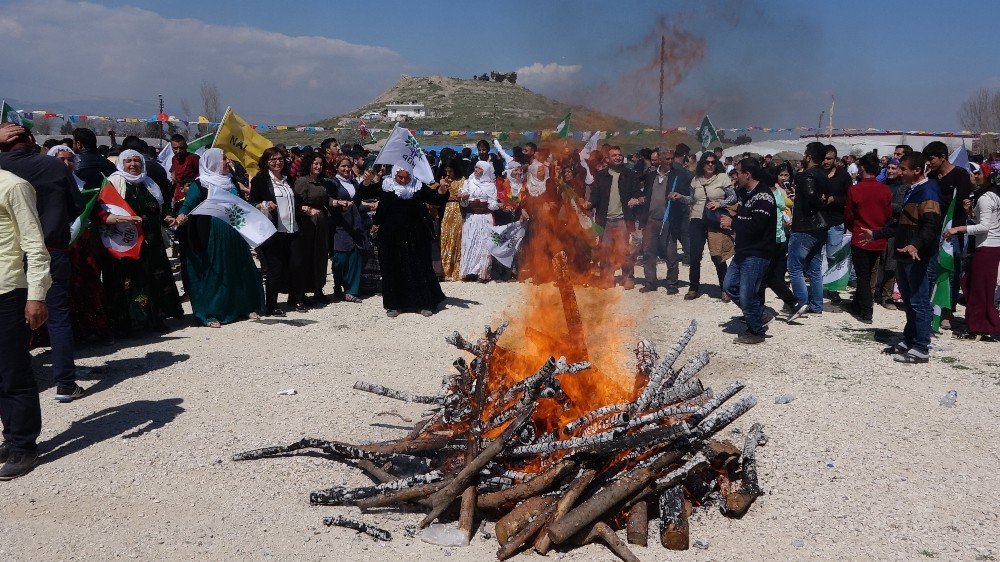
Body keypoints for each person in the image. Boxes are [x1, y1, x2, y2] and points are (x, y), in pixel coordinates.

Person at [0, 122, 85, 402]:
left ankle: (16, 382)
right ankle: (65, 383)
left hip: (8, 257)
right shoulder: (55, 166)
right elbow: (77, 206)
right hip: (50, 250)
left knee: (10, 324)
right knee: (58, 318)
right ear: (32, 139)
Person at [860, 152, 941, 364]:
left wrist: (916, 244)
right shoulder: (911, 190)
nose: (900, 172)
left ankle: (921, 347)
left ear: (916, 170)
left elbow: (931, 225)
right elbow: (900, 222)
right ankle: (909, 339)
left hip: (917, 256)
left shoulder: (929, 191)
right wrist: (876, 234)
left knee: (919, 302)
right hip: (903, 253)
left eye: (903, 169)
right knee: (909, 300)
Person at [174, 148, 264, 327]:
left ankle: (243, 306)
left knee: (239, 270)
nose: (227, 162)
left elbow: (240, 204)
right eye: (223, 159)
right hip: (212, 236)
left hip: (234, 233)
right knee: (215, 273)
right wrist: (181, 216)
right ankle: (211, 313)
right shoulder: (201, 184)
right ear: (213, 162)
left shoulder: (231, 182)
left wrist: (259, 205)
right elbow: (188, 204)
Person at [0, 163, 51, 480]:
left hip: (8, 290)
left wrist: (36, 295)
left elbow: (34, 244)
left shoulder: (14, 187)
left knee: (12, 371)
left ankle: (24, 446)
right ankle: (12, 435)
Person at [100, 149, 184, 334]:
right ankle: (131, 324)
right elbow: (103, 211)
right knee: (131, 282)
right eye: (128, 161)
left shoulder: (150, 183)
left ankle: (155, 319)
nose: (133, 164)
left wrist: (169, 218)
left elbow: (161, 209)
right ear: (121, 163)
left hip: (153, 244)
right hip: (127, 243)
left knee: (153, 280)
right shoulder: (114, 183)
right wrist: (121, 220)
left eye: (136, 161)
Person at [374, 166, 448, 317]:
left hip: (416, 236)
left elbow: (435, 198)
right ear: (394, 175)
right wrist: (368, 181)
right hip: (391, 236)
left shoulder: (417, 186)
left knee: (419, 267)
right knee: (392, 269)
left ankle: (423, 303)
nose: (403, 181)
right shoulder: (386, 186)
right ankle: (395, 305)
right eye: (400, 177)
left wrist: (442, 189)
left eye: (406, 178)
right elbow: (368, 195)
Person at [723, 157, 777, 344]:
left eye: (738, 172)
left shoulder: (763, 196)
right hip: (744, 251)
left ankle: (756, 331)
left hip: (758, 253)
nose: (735, 176)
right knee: (729, 285)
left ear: (748, 174)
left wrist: (733, 223)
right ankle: (759, 314)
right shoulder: (746, 193)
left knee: (747, 295)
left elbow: (757, 225)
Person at [944, 163, 1000, 340]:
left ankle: (979, 327)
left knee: (978, 288)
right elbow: (983, 221)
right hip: (990, 246)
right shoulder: (991, 196)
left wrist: (958, 229)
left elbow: (984, 227)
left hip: (986, 247)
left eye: (978, 173)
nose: (973, 176)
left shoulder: (985, 198)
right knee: (973, 284)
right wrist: (969, 212)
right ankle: (982, 323)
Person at [924, 141, 973, 330]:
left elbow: (959, 200)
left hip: (953, 230)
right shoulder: (932, 176)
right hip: (934, 228)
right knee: (932, 269)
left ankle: (947, 310)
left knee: (951, 270)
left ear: (943, 157)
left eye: (932, 158)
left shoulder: (960, 174)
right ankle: (930, 306)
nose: (929, 162)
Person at [250, 147, 302, 316]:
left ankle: (294, 299)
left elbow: (296, 201)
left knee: (295, 265)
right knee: (275, 269)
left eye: (279, 158)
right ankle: (271, 305)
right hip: (274, 231)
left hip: (292, 229)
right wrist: (264, 204)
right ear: (266, 162)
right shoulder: (260, 180)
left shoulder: (289, 179)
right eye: (273, 159)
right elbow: (252, 202)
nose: (277, 162)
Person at [679, 151, 735, 300]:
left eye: (713, 162)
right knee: (695, 255)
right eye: (707, 162)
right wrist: (680, 197)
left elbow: (733, 196)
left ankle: (725, 288)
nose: (710, 164)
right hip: (697, 219)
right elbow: (692, 199)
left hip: (714, 220)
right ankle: (693, 288)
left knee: (717, 256)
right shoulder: (696, 180)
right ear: (702, 164)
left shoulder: (723, 178)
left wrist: (720, 203)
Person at [787, 142, 833, 322]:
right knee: (814, 267)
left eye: (805, 154)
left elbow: (812, 198)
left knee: (795, 267)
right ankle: (816, 304)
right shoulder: (824, 174)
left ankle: (801, 302)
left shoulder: (807, 176)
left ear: (809, 156)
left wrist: (820, 202)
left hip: (806, 226)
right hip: (820, 226)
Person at [843, 153, 892, 324]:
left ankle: (866, 311)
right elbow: (888, 215)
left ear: (862, 168)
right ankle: (858, 305)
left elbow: (849, 215)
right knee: (871, 272)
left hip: (860, 236)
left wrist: (854, 228)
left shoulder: (855, 189)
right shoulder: (885, 190)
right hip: (878, 237)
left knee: (862, 276)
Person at [589, 146, 644, 289]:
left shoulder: (630, 174)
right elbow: (595, 196)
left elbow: (637, 192)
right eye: (614, 155)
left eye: (619, 155)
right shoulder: (600, 176)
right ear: (608, 159)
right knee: (605, 251)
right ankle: (607, 278)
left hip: (622, 220)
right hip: (604, 220)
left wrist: (637, 198)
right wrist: (588, 203)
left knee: (624, 250)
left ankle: (627, 277)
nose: (618, 157)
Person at [640, 147, 690, 293]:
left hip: (668, 220)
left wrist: (678, 197)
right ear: (660, 160)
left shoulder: (677, 175)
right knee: (648, 252)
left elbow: (686, 196)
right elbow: (646, 194)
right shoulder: (650, 176)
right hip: (651, 220)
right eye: (667, 159)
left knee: (670, 253)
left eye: (672, 158)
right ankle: (650, 282)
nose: (671, 161)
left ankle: (672, 283)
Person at [326, 156, 371, 302]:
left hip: (355, 224)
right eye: (342, 166)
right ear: (337, 167)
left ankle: (352, 290)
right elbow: (328, 201)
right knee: (340, 257)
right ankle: (338, 284)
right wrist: (338, 204)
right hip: (339, 224)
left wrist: (370, 206)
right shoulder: (332, 183)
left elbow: (357, 203)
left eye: (348, 166)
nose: (346, 169)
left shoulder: (353, 183)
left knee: (354, 256)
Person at [291, 153, 332, 305]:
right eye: (315, 163)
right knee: (307, 258)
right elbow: (298, 203)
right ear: (309, 164)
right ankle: (302, 293)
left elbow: (327, 200)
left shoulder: (321, 182)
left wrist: (337, 202)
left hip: (321, 224)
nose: (318, 167)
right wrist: (307, 211)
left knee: (320, 257)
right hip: (308, 225)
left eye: (320, 164)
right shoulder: (302, 181)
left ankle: (318, 290)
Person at [759, 162, 798, 313]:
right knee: (770, 275)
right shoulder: (775, 191)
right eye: (781, 175)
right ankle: (793, 303)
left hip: (777, 235)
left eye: (786, 175)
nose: (783, 177)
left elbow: (784, 208)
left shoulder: (773, 193)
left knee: (767, 275)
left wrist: (795, 198)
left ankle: (792, 303)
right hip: (779, 234)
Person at [875, 158, 907, 309]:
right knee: (876, 262)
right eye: (889, 167)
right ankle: (872, 292)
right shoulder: (881, 185)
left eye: (894, 168)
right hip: (879, 226)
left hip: (895, 228)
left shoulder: (904, 187)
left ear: (900, 170)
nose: (890, 171)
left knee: (890, 264)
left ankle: (886, 296)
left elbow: (902, 208)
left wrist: (885, 204)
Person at [459, 161, 500, 282]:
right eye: (475, 167)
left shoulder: (491, 186)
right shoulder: (468, 182)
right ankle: (470, 272)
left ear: (485, 170)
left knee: (484, 244)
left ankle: (483, 272)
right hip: (472, 216)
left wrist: (496, 205)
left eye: (479, 168)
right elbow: (463, 202)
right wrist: (464, 198)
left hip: (485, 217)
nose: (476, 169)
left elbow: (492, 202)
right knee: (470, 242)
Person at [822, 144, 852, 305]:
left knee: (833, 256)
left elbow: (849, 197)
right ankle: (817, 285)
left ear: (835, 159)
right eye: (824, 158)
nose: (826, 161)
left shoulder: (843, 176)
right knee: (816, 256)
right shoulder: (816, 173)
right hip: (817, 222)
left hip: (835, 221)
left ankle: (832, 288)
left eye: (829, 158)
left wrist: (835, 199)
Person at [438, 164, 466, 281]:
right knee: (445, 235)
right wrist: (443, 185)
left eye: (450, 171)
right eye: (447, 171)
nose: (448, 173)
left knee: (456, 236)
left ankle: (456, 269)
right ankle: (445, 269)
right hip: (447, 209)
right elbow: (440, 194)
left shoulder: (462, 180)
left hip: (458, 208)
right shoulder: (443, 180)